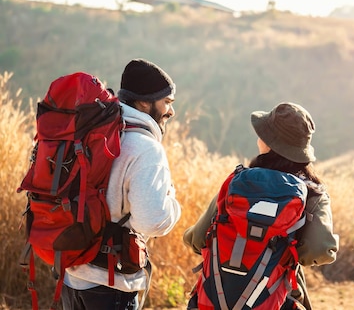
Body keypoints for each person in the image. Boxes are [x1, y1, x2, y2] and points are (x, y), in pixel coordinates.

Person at [183, 102, 339, 310]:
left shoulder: (237, 183)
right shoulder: (313, 192)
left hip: (217, 298)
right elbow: (319, 251)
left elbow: (197, 239)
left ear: (268, 144)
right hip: (273, 298)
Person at [62, 58, 182, 309]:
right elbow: (151, 220)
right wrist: (173, 203)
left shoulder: (92, 132)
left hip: (72, 276)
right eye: (167, 102)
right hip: (110, 285)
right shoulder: (146, 148)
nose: (171, 111)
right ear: (144, 102)